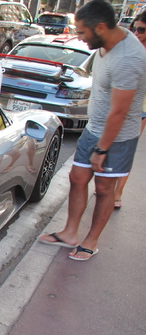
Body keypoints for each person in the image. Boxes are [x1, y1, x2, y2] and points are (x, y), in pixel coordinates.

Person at [37, 0, 146, 261]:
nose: (80, 37)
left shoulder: (128, 58)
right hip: (93, 128)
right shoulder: (105, 45)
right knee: (77, 178)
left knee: (105, 188)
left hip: (116, 137)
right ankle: (70, 233)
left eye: (83, 33)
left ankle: (91, 241)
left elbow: (119, 112)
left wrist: (102, 148)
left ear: (100, 27)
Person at [114, 12, 146, 209]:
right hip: (118, 104)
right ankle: (108, 184)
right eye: (135, 28)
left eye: (141, 29)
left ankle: (118, 192)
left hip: (140, 109)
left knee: (127, 149)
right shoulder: (130, 49)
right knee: (111, 145)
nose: (137, 33)